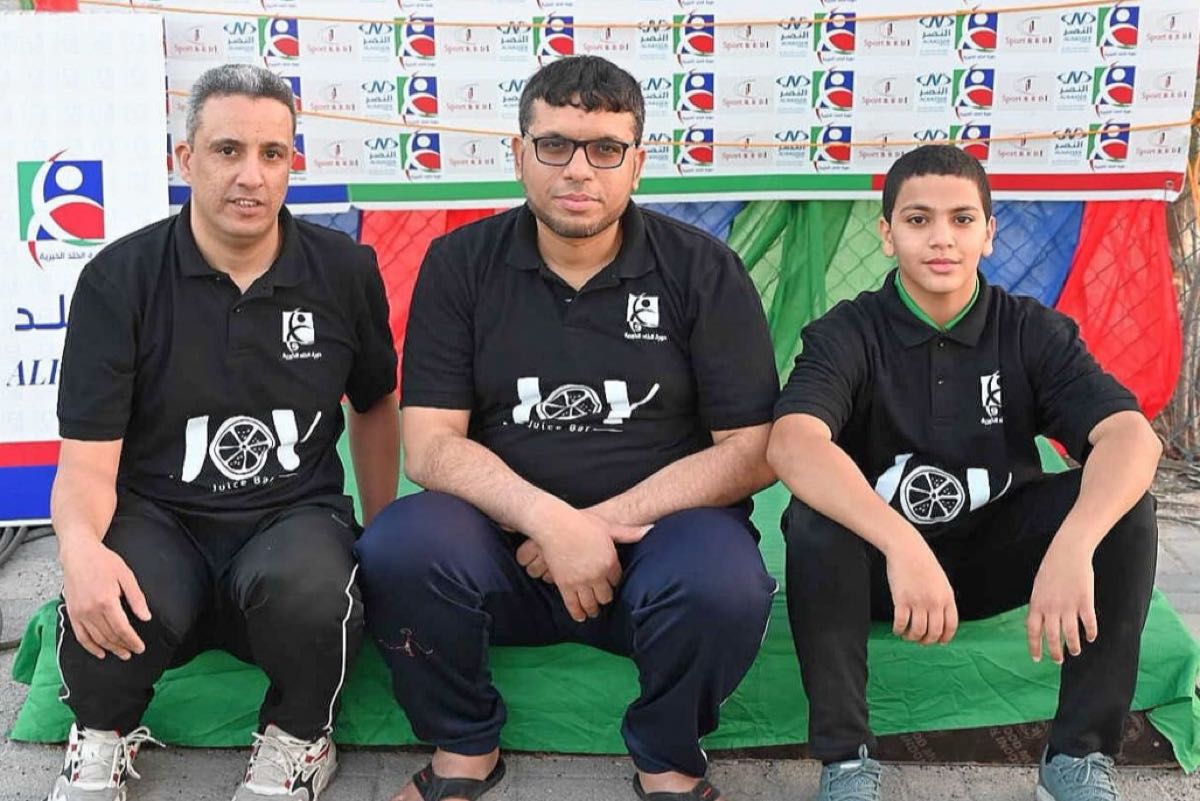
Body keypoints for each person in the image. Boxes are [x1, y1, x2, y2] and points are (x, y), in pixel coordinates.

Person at [354, 55, 779, 801]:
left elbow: (751, 451)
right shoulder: (460, 264)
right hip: (504, 552)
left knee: (726, 581)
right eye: (554, 145)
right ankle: (464, 747)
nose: (579, 169)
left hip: (655, 550)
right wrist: (550, 522)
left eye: (605, 148)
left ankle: (667, 758)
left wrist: (599, 526)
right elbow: (429, 444)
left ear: (637, 163)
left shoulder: (703, 270)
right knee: (399, 544)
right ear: (520, 154)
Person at [47, 64, 400, 801]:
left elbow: (374, 403)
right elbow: (85, 462)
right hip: (160, 516)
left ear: (291, 162)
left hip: (290, 515)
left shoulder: (343, 270)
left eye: (273, 154)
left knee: (313, 593)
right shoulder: (119, 279)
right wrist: (79, 549)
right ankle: (101, 736)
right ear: (186, 159)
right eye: (228, 150)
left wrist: (382, 531)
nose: (251, 176)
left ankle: (299, 739)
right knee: (111, 585)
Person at [767, 144, 1160, 801]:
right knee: (814, 520)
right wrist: (900, 543)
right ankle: (846, 763)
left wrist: (1075, 544)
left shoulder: (1030, 330)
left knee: (1126, 511)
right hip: (883, 575)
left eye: (962, 219)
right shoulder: (848, 332)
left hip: (996, 560)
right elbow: (792, 442)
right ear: (887, 233)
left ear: (989, 232)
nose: (942, 238)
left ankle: (1077, 757)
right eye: (918, 220)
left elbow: (1129, 435)